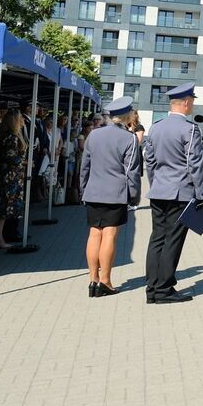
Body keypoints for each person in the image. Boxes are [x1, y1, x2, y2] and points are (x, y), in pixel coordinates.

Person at [143, 83, 203, 304]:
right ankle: (164, 289)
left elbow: (149, 162)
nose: (193, 105)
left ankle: (152, 287)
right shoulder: (189, 129)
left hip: (158, 190)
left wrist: (157, 184)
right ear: (187, 102)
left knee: (157, 238)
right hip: (180, 193)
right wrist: (201, 193)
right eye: (193, 101)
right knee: (173, 240)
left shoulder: (155, 127)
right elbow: (195, 164)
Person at [80, 96, 142, 297]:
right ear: (126, 116)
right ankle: (105, 281)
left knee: (93, 233)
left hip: (93, 191)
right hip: (115, 193)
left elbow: (85, 167)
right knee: (109, 234)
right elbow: (132, 171)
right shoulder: (129, 138)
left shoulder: (93, 135)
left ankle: (92, 280)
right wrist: (134, 196)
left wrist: (83, 190)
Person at [0, 104, 27, 250]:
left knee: (4, 208)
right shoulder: (11, 137)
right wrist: (23, 161)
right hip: (8, 178)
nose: (23, 120)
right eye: (21, 118)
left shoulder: (10, 135)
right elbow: (10, 157)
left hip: (10, 177)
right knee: (3, 208)